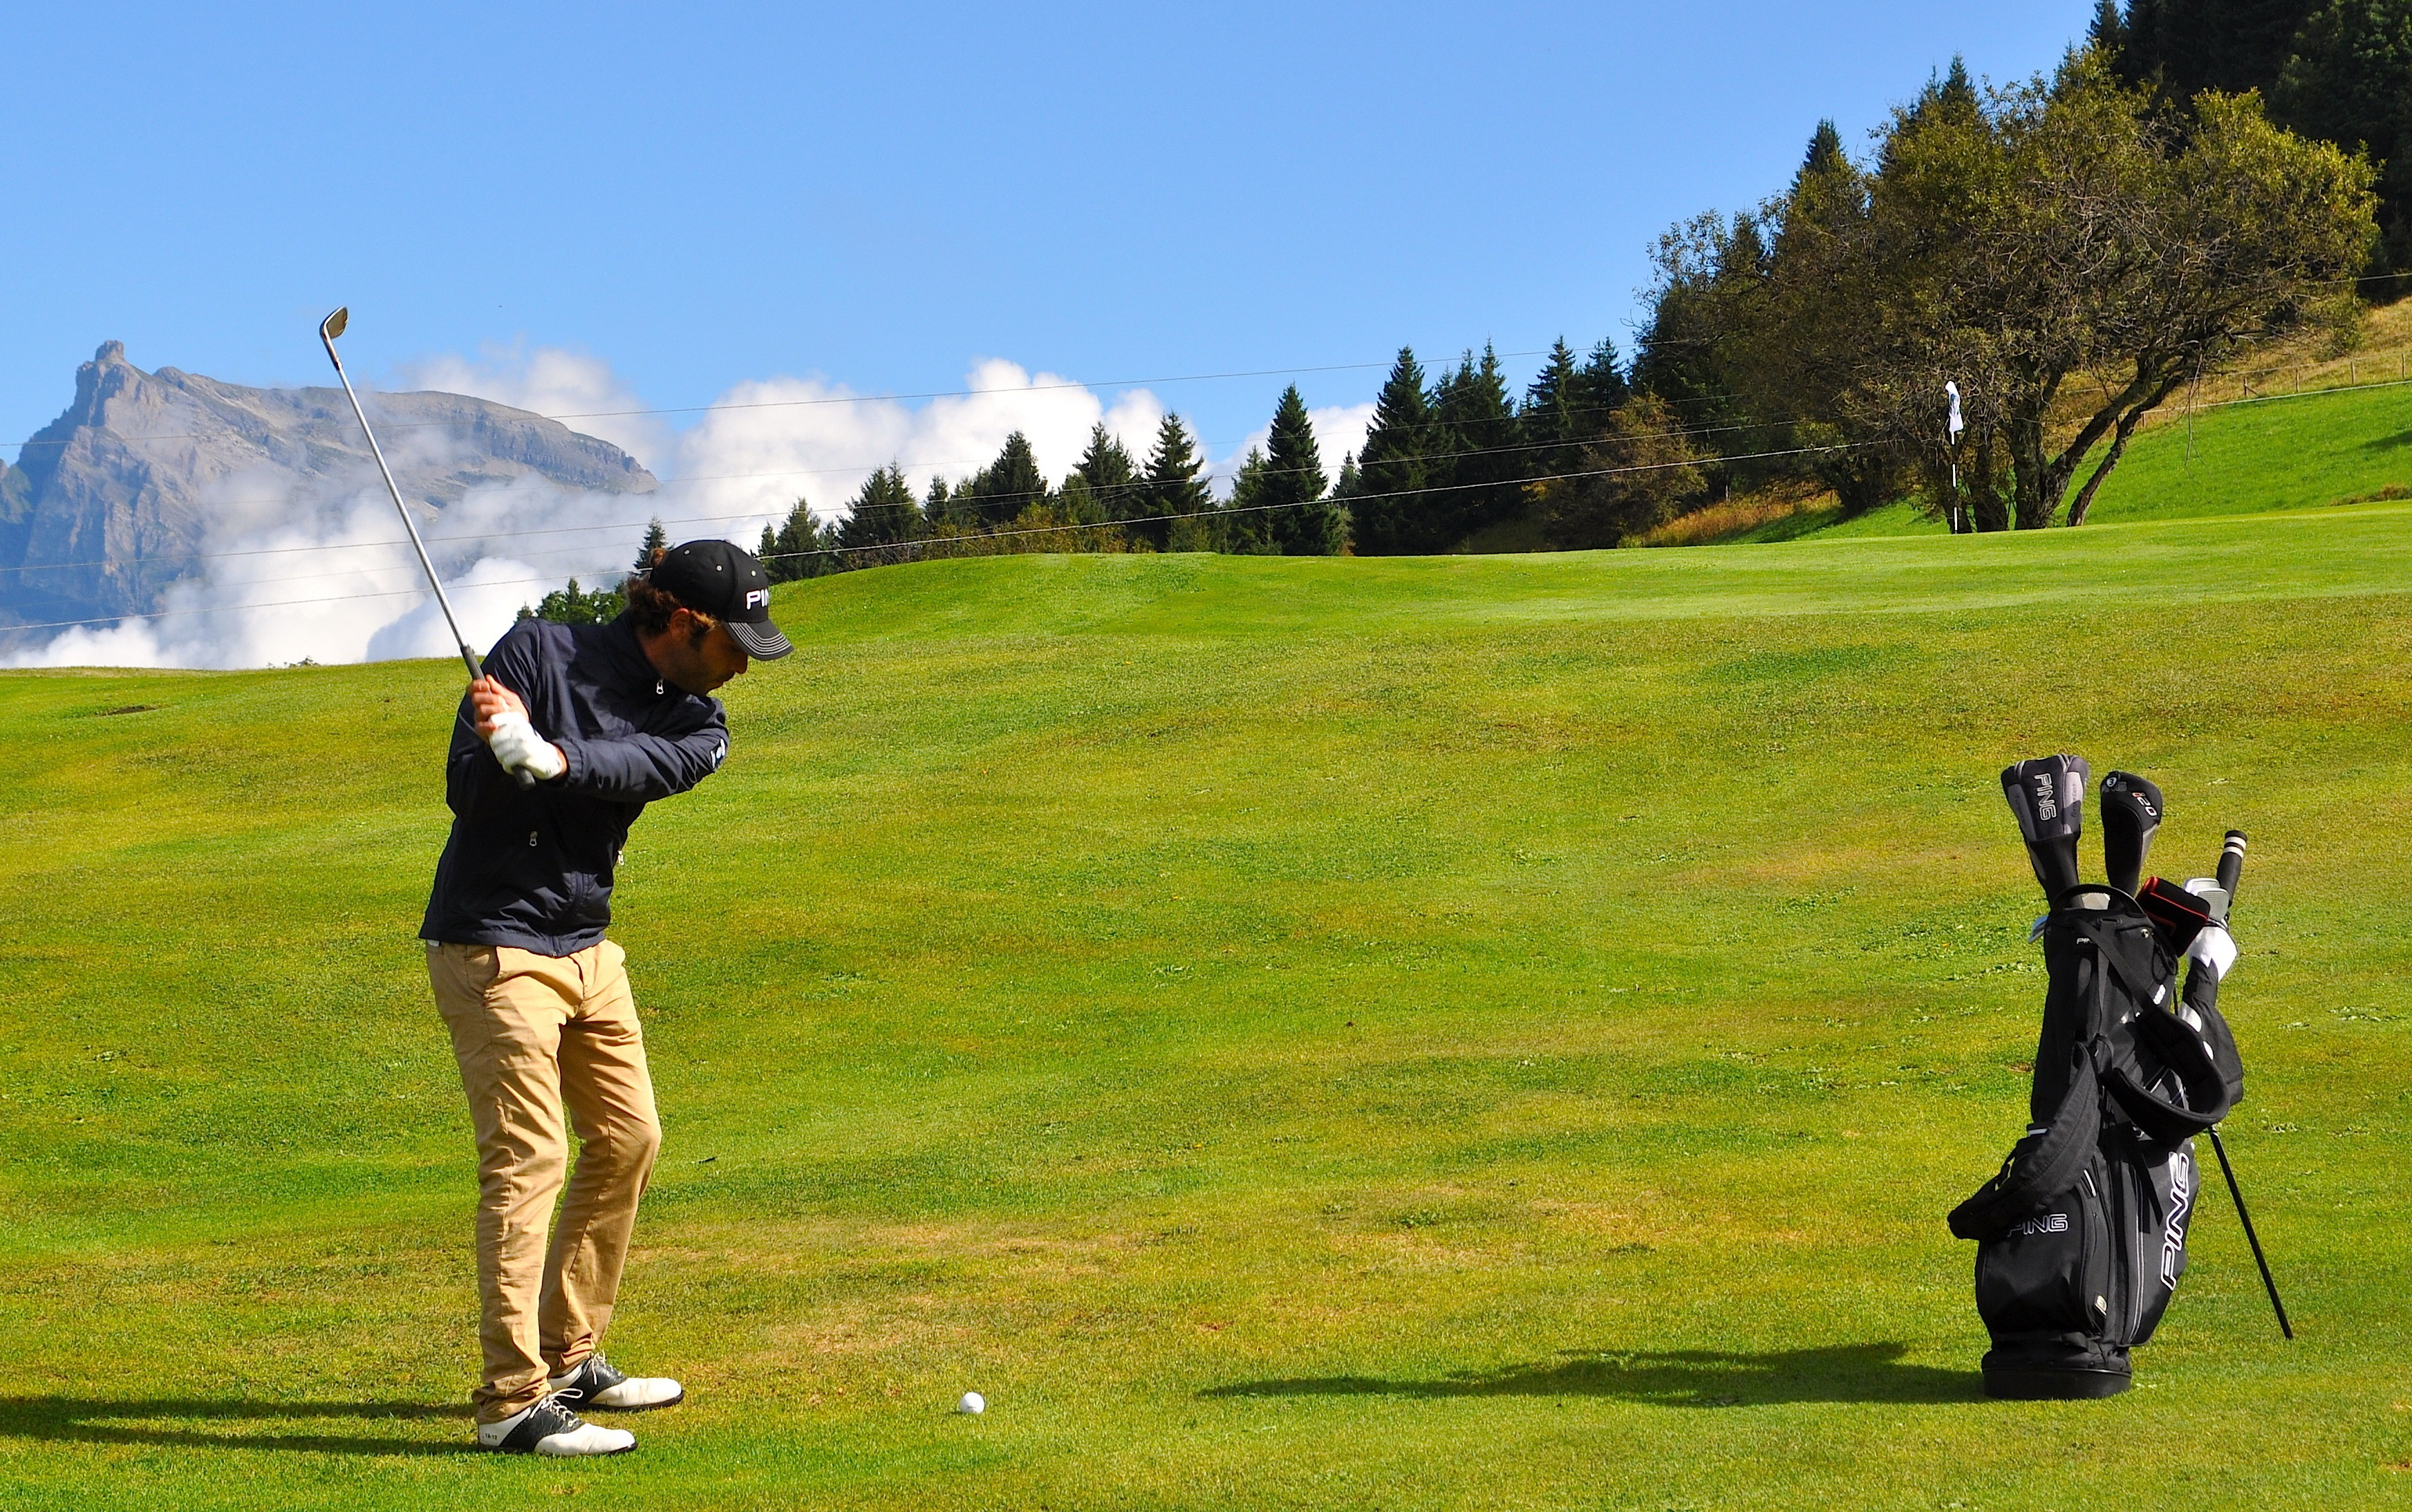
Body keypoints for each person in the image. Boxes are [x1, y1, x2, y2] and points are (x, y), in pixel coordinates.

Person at [421, 539, 792, 1455]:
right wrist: (504, 753)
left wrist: (550, 756)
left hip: (587, 947)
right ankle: (511, 1402)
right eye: (733, 644)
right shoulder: (534, 654)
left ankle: (566, 1354)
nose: (743, 665)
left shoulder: (699, 723)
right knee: (529, 1160)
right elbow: (464, 792)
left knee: (629, 1139)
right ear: (681, 624)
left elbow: (639, 771)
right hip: (494, 943)